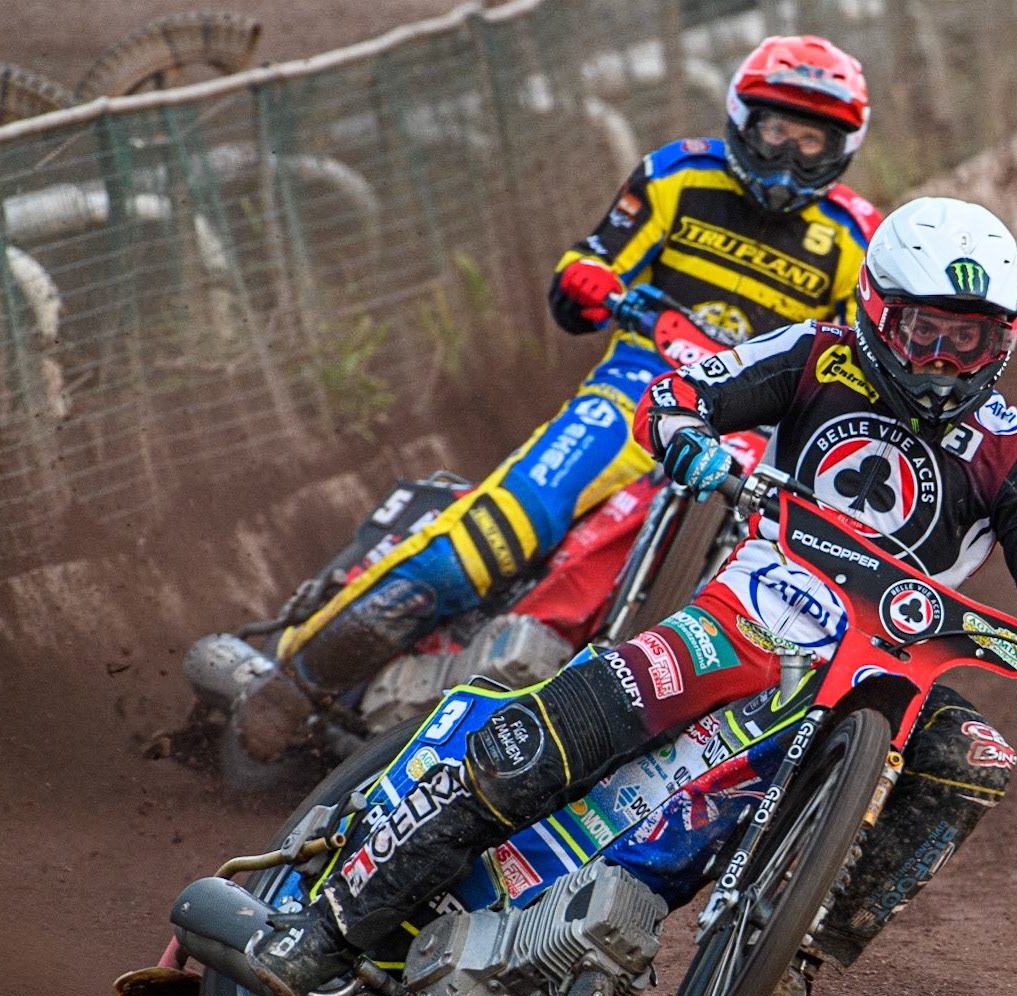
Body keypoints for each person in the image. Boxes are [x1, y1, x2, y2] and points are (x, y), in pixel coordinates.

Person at [246, 197, 1017, 996]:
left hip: (886, 666)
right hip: (755, 611)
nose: (947, 363)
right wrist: (685, 432)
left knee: (976, 757)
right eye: (929, 334)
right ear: (882, 312)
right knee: (538, 742)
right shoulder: (816, 355)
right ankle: (326, 932)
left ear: (1008, 339)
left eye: (975, 342)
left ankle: (793, 953)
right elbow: (685, 389)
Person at [232, 35, 884, 766]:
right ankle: (296, 679)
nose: (787, 156)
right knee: (508, 524)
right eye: (775, 131)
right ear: (743, 118)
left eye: (811, 140)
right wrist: (596, 285)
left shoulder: (858, 237)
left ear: (841, 147)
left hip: (755, 433)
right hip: (643, 387)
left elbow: (865, 368)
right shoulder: (677, 176)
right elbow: (587, 264)